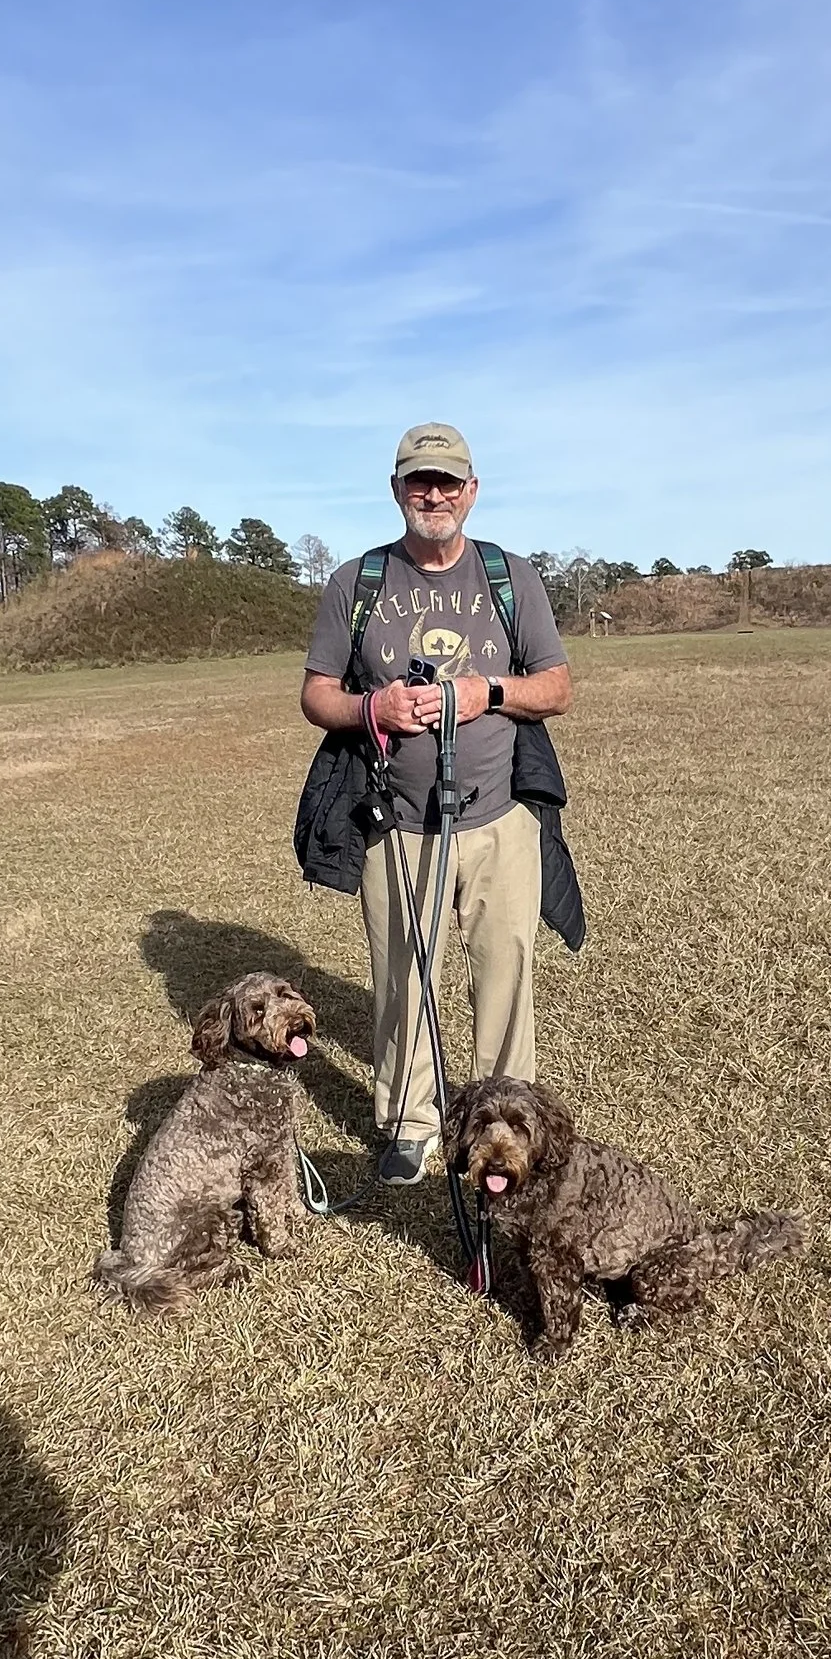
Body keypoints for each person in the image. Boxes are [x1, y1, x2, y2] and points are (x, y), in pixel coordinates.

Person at [300, 424, 574, 1183]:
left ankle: (509, 1123)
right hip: (396, 819)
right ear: (396, 490)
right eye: (420, 480)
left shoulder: (510, 576)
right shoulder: (356, 583)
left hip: (499, 815)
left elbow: (556, 686)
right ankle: (411, 1124)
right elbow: (316, 692)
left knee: (506, 971)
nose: (435, 494)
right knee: (402, 977)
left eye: (449, 481)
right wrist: (372, 710)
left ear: (472, 490)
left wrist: (485, 690)